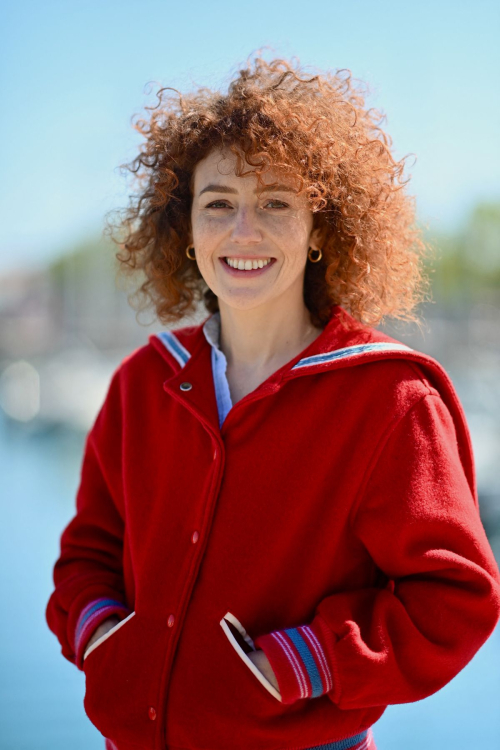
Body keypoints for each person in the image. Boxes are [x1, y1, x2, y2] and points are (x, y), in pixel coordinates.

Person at [45, 54, 500, 750]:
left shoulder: (390, 398)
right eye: (219, 203)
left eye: (277, 203)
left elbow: (454, 599)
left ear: (321, 229)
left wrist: (305, 663)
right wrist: (100, 630)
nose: (243, 231)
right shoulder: (143, 383)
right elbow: (89, 551)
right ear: (186, 226)